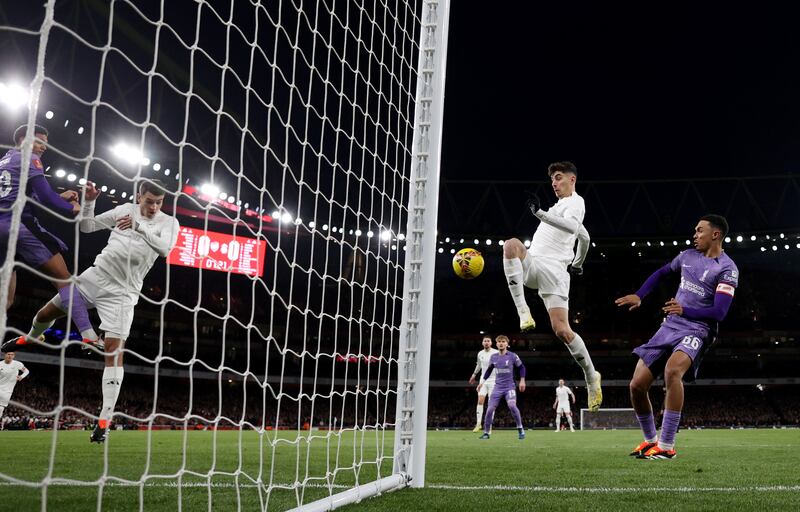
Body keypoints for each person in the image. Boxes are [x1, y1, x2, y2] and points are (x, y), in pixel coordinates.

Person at [21, 179, 179, 443]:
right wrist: (90, 202)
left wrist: (139, 227)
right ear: (139, 197)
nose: (153, 207)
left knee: (114, 353)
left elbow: (165, 250)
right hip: (95, 277)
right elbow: (87, 226)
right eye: (149, 201)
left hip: (123, 293)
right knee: (45, 314)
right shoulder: (123, 210)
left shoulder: (169, 223)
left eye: (159, 203)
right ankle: (31, 336)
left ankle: (103, 421)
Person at [615, 214, 738, 460]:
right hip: (670, 325)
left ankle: (667, 445)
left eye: (699, 230)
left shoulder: (727, 268)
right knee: (637, 385)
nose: (695, 235)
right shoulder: (686, 257)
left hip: (698, 329)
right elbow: (661, 273)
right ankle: (651, 442)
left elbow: (720, 312)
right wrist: (640, 295)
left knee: (673, 372)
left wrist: (685, 310)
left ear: (715, 234)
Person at [502, 161, 602, 411]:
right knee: (511, 245)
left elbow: (575, 228)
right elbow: (585, 237)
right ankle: (523, 311)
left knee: (562, 331)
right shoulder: (557, 206)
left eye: (559, 178)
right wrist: (579, 262)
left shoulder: (576, 203)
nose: (555, 184)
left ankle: (591, 376)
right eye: (552, 180)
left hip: (555, 271)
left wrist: (540, 214)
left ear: (572, 179)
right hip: (534, 263)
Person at [0, 124, 99, 344]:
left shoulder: (4, 161)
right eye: (39, 141)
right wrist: (70, 208)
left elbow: (19, 197)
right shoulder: (30, 158)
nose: (43, 147)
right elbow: (45, 197)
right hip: (18, 227)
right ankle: (88, 334)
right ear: (24, 140)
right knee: (63, 279)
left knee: (5, 300)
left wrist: (59, 196)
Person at [479, 335, 526, 440]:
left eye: (503, 341)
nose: (501, 343)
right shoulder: (493, 357)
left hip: (509, 387)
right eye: (499, 341)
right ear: (496, 344)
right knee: (490, 409)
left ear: (507, 344)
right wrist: (482, 382)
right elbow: (489, 370)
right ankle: (486, 433)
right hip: (497, 387)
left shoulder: (513, 356)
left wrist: (522, 380)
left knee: (512, 406)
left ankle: (520, 429)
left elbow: (521, 367)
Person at [468, 335, 498, 432]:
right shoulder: (480, 353)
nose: (486, 342)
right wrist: (473, 375)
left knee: (491, 403)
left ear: (491, 343)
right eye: (485, 341)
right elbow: (479, 366)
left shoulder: (496, 352)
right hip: (483, 381)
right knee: (480, 401)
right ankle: (478, 424)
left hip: (494, 381)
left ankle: (489, 425)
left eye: (488, 341)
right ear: (482, 343)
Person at [0, 351, 29, 426]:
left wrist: (21, 377)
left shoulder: (17, 364)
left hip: (7, 391)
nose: (10, 356)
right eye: (8, 354)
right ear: (5, 355)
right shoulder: (0, 364)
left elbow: (26, 371)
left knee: (1, 408)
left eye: (12, 355)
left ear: (14, 356)